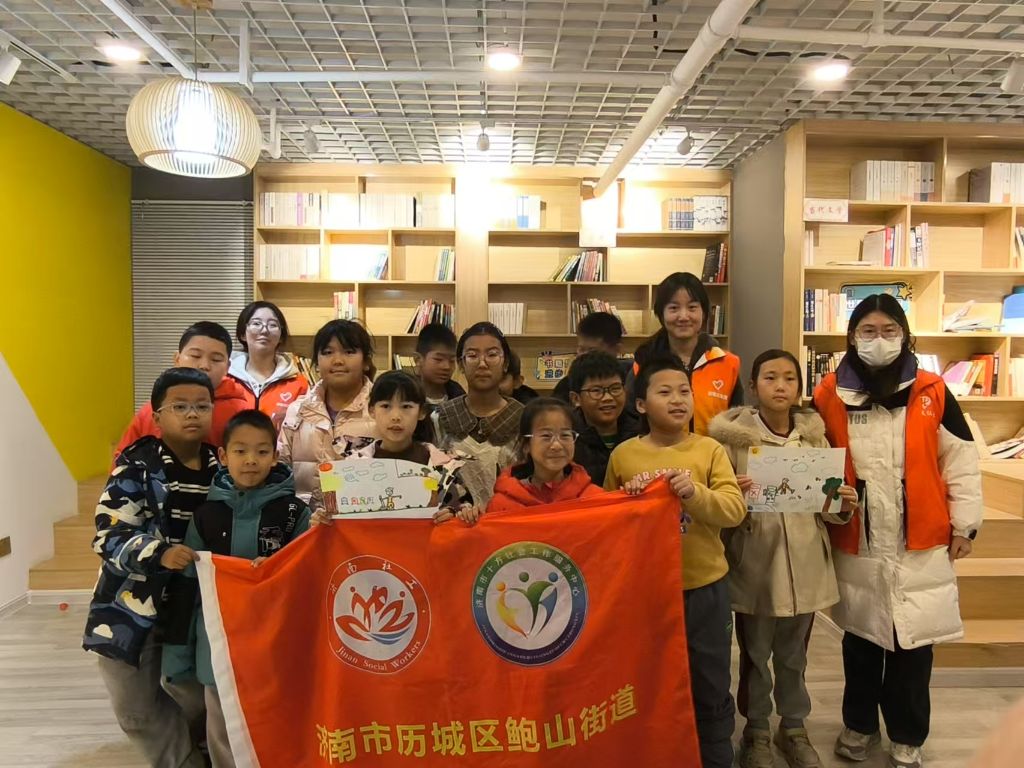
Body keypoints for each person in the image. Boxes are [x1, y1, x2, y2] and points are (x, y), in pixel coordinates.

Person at [813, 294, 982, 768]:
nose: (879, 339)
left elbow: (960, 460)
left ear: (905, 336)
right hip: (858, 536)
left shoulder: (932, 390)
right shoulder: (828, 393)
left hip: (920, 538)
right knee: (861, 639)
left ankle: (908, 735)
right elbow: (815, 460)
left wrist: (966, 524)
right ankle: (859, 725)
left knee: (914, 644)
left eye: (889, 330)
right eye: (868, 331)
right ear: (852, 337)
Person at [708, 349, 858, 768]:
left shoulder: (814, 439)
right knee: (755, 656)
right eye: (770, 377)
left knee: (794, 656)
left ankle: (793, 727)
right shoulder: (729, 442)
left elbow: (826, 508)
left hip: (805, 564)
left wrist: (841, 503)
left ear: (799, 387)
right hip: (755, 564)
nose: (780, 386)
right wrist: (733, 496)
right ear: (753, 386)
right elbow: (719, 507)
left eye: (789, 378)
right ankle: (756, 731)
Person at [604, 356, 745, 768]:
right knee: (649, 677)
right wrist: (627, 500)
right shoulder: (624, 455)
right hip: (645, 592)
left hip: (704, 588)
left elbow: (734, 510)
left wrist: (694, 493)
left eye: (685, 391)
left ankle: (716, 755)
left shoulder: (709, 449)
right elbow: (606, 525)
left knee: (710, 677)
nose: (678, 399)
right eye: (664, 392)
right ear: (641, 404)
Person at [83, 368, 218, 768]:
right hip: (129, 607)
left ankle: (198, 756)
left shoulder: (225, 469)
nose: (192, 414)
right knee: (134, 710)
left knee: (199, 697)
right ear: (157, 416)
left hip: (197, 610)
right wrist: (158, 552)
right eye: (180, 406)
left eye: (202, 406)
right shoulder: (135, 467)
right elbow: (108, 535)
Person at [162, 410, 311, 768]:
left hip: (274, 643)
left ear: (275, 456)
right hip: (218, 646)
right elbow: (189, 588)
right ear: (224, 456)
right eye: (240, 451)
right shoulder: (205, 516)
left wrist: (276, 570)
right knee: (222, 724)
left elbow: (308, 573)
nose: (251, 460)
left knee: (277, 718)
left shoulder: (294, 512)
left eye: (262, 451)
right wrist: (177, 655)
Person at [339, 371, 478, 523]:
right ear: (372, 410)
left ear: (421, 412)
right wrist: (325, 517)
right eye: (386, 406)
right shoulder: (354, 466)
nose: (396, 416)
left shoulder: (443, 466)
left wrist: (454, 513)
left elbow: (463, 508)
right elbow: (340, 511)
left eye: (406, 406)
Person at [625, 272, 741, 435]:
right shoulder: (644, 362)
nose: (684, 316)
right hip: (658, 451)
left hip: (714, 451)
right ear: (661, 314)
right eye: (674, 308)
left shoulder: (727, 363)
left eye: (692, 307)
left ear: (704, 313)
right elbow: (630, 420)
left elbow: (737, 421)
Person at [114, 322, 248, 461]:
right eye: (195, 356)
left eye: (216, 359)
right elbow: (122, 459)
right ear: (177, 359)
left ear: (228, 367)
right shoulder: (151, 410)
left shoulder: (241, 413)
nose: (204, 366)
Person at [277, 319, 378, 503]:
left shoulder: (381, 411)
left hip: (363, 516)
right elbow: (279, 471)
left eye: (349, 352)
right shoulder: (298, 411)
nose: (338, 361)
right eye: (328, 352)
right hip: (304, 517)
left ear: (366, 361)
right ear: (316, 363)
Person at [432, 322, 524, 508]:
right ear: (461, 364)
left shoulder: (525, 419)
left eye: (492, 355)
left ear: (505, 363)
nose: (482, 363)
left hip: (510, 519)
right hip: (453, 520)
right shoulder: (439, 418)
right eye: (472, 355)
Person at [488, 397, 604, 512]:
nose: (557, 445)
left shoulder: (595, 499)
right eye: (546, 436)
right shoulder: (501, 505)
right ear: (526, 445)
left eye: (565, 435)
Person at [565, 350, 640, 485]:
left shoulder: (641, 432)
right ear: (575, 398)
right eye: (596, 391)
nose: (608, 398)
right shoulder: (566, 439)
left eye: (615, 388)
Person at [228, 301, 308, 423]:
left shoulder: (299, 385)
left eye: (272, 325)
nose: (264, 330)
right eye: (256, 323)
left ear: (281, 337)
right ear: (243, 334)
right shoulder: (226, 380)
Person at [553, 311, 628, 402]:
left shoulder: (630, 380)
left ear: (617, 349)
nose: (584, 356)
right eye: (581, 349)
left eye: (592, 351)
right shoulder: (567, 385)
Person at [414, 322, 465, 405]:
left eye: (452, 360)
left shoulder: (458, 395)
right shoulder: (405, 394)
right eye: (438, 359)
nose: (447, 367)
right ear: (418, 359)